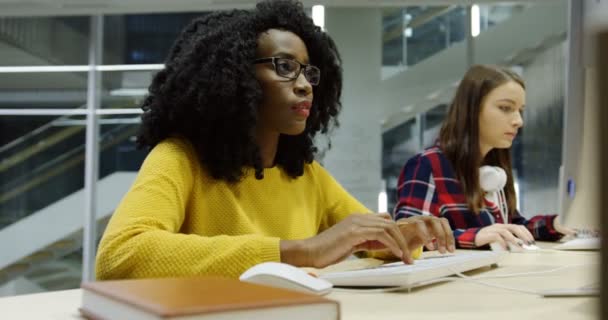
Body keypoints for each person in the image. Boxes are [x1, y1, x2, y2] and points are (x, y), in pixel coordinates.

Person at [96, 0, 454, 281]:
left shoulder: (305, 175)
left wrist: (402, 237)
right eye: (284, 66)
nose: (303, 85)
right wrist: (300, 251)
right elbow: (120, 255)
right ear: (234, 76)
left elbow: (364, 237)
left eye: (309, 73)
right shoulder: (180, 158)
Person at [393, 64, 575, 250]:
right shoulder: (427, 165)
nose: (518, 121)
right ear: (471, 110)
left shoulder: (494, 169)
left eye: (520, 110)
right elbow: (407, 238)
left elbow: (513, 227)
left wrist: (556, 224)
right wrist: (475, 236)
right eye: (505, 108)